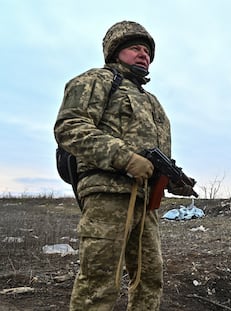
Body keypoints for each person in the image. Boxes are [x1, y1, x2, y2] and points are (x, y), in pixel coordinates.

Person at [54, 20, 193, 311]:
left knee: (150, 278)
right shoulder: (97, 81)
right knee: (99, 282)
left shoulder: (152, 102)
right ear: (115, 52)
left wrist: (175, 181)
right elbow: (70, 127)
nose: (143, 54)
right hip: (108, 196)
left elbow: (156, 158)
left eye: (147, 51)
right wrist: (125, 158)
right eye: (135, 48)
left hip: (146, 203)